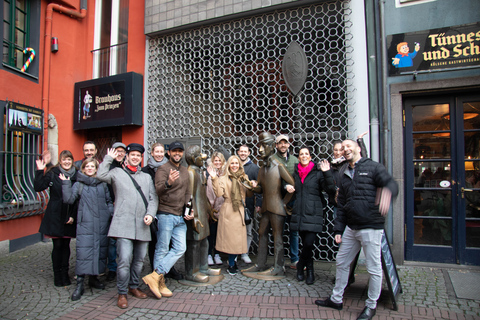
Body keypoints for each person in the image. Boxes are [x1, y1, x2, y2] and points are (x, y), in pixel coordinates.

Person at [315, 139, 398, 320]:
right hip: (351, 228)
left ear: (358, 148)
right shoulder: (344, 173)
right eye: (342, 148)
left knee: (373, 268)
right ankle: (336, 299)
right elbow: (342, 204)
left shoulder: (374, 167)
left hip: (371, 227)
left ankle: (371, 306)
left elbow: (392, 184)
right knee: (342, 261)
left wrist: (387, 192)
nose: (345, 149)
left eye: (348, 146)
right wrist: (338, 229)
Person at [97, 144, 158, 309]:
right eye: (133, 155)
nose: (136, 157)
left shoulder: (146, 177)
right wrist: (108, 158)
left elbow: (153, 199)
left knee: (139, 261)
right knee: (124, 260)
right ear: (127, 156)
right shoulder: (117, 173)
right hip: (123, 224)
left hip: (143, 224)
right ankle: (122, 292)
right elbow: (100, 174)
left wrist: (150, 214)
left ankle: (133, 286)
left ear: (141, 158)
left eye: (138, 155)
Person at [142, 141, 194, 299]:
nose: (177, 154)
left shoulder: (185, 171)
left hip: (180, 216)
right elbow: (158, 190)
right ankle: (160, 282)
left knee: (180, 248)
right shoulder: (162, 169)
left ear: (182, 153)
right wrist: (168, 183)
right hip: (165, 214)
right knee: (162, 249)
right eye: (174, 151)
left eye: (180, 151)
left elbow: (187, 194)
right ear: (169, 153)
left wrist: (190, 210)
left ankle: (155, 276)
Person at [60, 158, 114, 301]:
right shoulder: (79, 184)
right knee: (84, 252)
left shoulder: (103, 184)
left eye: (92, 166)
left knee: (99, 251)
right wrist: (66, 183)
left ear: (96, 169)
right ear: (83, 169)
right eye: (87, 166)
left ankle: (94, 278)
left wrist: (109, 213)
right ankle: (80, 283)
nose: (90, 168)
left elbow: (108, 201)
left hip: (102, 223)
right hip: (86, 224)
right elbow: (69, 200)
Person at [244, 132, 295, 276]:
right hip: (266, 208)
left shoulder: (278, 166)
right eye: (260, 145)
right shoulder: (262, 169)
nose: (260, 149)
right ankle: (260, 263)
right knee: (262, 234)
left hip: (277, 208)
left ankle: (279, 267)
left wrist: (284, 203)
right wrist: (253, 187)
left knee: (277, 236)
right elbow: (261, 188)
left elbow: (292, 184)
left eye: (264, 145)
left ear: (272, 146)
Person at [287, 147, 335, 285]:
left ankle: (301, 266)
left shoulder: (318, 173)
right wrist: (287, 187)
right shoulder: (295, 173)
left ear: (310, 156)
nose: (303, 156)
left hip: (313, 212)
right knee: (305, 244)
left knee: (309, 243)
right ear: (298, 157)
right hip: (300, 213)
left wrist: (327, 173)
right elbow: (286, 183)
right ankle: (310, 273)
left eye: (306, 154)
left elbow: (330, 189)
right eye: (301, 154)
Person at [34, 150, 78, 287]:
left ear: (72, 161)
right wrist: (40, 171)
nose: (67, 162)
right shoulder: (53, 173)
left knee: (66, 245)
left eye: (69, 159)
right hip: (55, 213)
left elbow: (77, 198)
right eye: (64, 160)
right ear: (60, 161)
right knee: (57, 245)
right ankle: (57, 275)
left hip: (69, 214)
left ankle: (65, 273)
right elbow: (38, 187)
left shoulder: (76, 175)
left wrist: (72, 216)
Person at [142, 142, 183, 280]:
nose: (159, 154)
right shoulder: (145, 170)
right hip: (154, 210)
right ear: (152, 153)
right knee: (155, 242)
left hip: (169, 209)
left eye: (161, 152)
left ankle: (168, 268)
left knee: (171, 243)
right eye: (156, 152)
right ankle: (155, 272)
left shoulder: (172, 167)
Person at [208, 155, 252, 275]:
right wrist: (213, 178)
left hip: (240, 210)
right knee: (231, 240)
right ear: (228, 165)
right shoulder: (223, 178)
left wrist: (252, 185)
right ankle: (232, 263)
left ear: (239, 165)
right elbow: (218, 193)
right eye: (232, 163)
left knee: (237, 239)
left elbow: (248, 194)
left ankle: (233, 261)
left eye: (236, 163)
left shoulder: (243, 177)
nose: (234, 165)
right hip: (228, 211)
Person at [272, 134, 299, 269]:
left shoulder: (295, 160)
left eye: (285, 143)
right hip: (278, 201)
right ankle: (280, 261)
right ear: (276, 145)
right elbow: (271, 180)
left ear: (289, 145)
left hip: (293, 201)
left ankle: (295, 260)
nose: (283, 145)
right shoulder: (272, 159)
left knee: (294, 231)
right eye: (280, 143)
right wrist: (284, 186)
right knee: (279, 232)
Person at [237, 144, 262, 264]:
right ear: (238, 152)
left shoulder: (254, 168)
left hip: (249, 204)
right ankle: (234, 252)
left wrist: (259, 203)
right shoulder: (233, 166)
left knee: (248, 230)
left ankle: (245, 253)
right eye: (241, 151)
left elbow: (258, 186)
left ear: (249, 153)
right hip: (235, 205)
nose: (243, 153)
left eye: (245, 151)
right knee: (235, 230)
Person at [106, 142, 127, 282]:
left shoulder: (126, 166)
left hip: (124, 207)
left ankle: (123, 266)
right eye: (117, 151)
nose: (120, 153)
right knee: (113, 241)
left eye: (122, 151)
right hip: (112, 206)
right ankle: (112, 268)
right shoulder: (109, 167)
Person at [205, 152, 227, 266]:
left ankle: (217, 254)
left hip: (223, 208)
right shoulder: (207, 174)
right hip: (212, 209)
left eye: (219, 161)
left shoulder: (226, 174)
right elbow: (208, 192)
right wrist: (210, 208)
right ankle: (209, 254)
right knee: (211, 233)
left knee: (220, 234)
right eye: (215, 161)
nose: (217, 163)